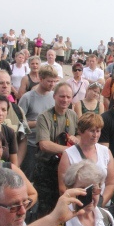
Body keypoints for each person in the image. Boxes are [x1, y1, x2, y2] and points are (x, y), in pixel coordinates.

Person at [32, 82, 79, 216]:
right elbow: (44, 144)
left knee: (66, 206)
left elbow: (80, 135)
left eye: (68, 97)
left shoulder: (72, 115)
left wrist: (76, 139)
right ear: (54, 96)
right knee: (46, 209)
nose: (65, 100)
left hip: (66, 168)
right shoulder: (44, 117)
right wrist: (69, 150)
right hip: (47, 168)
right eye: (61, 96)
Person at [57, 112, 114, 205]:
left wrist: (100, 203)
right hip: (78, 206)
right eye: (91, 131)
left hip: (102, 204)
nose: (95, 135)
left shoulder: (105, 151)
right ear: (80, 131)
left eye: (98, 131)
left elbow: (111, 183)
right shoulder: (68, 154)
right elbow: (63, 188)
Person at [17, 65, 57, 179]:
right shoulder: (27, 97)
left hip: (49, 144)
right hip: (31, 145)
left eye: (54, 81)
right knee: (27, 177)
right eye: (49, 81)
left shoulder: (54, 97)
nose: (52, 84)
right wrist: (39, 122)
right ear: (41, 79)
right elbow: (19, 123)